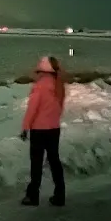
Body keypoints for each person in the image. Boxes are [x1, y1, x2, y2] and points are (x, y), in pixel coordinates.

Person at [20, 55, 66, 207]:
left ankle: (33, 196)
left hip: (39, 130)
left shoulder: (40, 86)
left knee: (36, 163)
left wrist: (25, 127)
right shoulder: (58, 85)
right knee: (54, 161)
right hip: (54, 128)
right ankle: (60, 194)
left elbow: (32, 109)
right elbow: (59, 108)